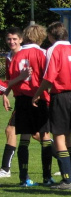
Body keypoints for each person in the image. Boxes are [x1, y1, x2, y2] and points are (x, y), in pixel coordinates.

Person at [32, 21, 71, 190]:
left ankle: (67, 180)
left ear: (51, 36)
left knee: (58, 137)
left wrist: (37, 94)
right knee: (68, 137)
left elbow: (49, 77)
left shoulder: (54, 50)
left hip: (61, 95)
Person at [8, 24, 55, 187]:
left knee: (24, 139)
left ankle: (23, 178)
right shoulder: (42, 53)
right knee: (45, 137)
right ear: (41, 37)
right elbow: (47, 77)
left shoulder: (16, 56)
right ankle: (47, 177)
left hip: (21, 100)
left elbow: (12, 80)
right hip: (39, 98)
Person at [0, 27, 25, 178]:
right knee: (37, 134)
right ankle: (63, 159)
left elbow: (25, 77)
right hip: (20, 98)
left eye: (15, 39)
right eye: (9, 39)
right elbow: (10, 80)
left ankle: (5, 169)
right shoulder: (9, 57)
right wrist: (5, 94)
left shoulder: (26, 55)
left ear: (21, 40)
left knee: (11, 130)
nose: (12, 42)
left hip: (29, 98)